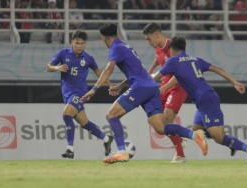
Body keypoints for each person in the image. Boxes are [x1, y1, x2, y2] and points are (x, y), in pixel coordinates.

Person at [80, 23, 208, 164]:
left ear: (103, 38)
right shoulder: (125, 46)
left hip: (141, 87)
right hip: (152, 87)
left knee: (111, 115)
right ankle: (194, 135)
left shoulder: (115, 48)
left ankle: (122, 152)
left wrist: (94, 89)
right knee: (160, 127)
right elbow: (138, 71)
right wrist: (121, 85)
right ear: (117, 34)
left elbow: (108, 69)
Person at [153, 36, 247, 164]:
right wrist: (234, 82)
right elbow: (216, 69)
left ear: (171, 50)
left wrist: (143, 87)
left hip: (206, 99)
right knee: (195, 132)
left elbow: (156, 77)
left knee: (219, 138)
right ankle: (232, 143)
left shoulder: (173, 61)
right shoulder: (195, 59)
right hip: (203, 99)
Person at [46, 29, 113, 159]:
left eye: (82, 43)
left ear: (85, 44)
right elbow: (48, 66)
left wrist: (110, 85)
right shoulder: (63, 53)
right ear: (72, 42)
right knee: (84, 123)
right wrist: (57, 68)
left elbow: (99, 73)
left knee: (66, 115)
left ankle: (70, 149)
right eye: (77, 43)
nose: (79, 46)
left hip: (80, 93)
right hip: (67, 94)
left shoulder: (88, 59)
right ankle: (106, 138)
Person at [143, 22, 188, 163]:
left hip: (177, 87)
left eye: (149, 39)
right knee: (154, 121)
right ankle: (179, 138)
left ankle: (180, 155)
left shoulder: (173, 48)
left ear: (157, 35)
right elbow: (159, 58)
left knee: (167, 121)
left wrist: (162, 88)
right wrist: (150, 71)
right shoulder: (158, 47)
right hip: (164, 86)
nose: (148, 42)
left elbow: (179, 75)